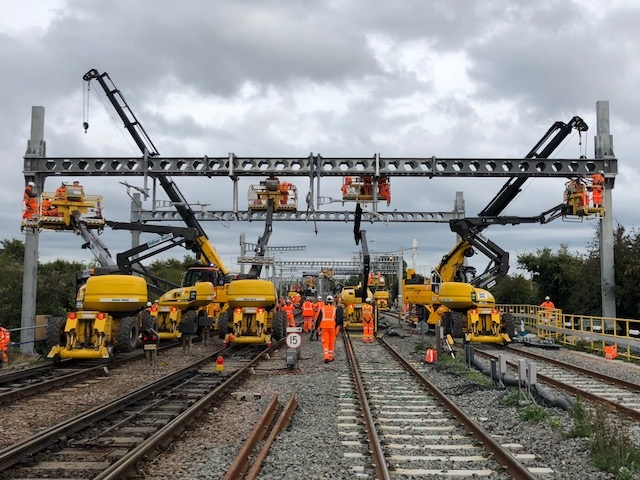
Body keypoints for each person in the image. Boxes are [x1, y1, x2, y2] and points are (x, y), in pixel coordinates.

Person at [315, 295, 344, 363]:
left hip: (324, 327)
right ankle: (331, 357)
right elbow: (339, 319)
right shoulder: (335, 309)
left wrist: (316, 328)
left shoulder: (323, 309)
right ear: (332, 301)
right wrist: (337, 325)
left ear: (326, 301)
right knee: (331, 342)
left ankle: (326, 357)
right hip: (332, 327)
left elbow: (319, 319)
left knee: (325, 342)